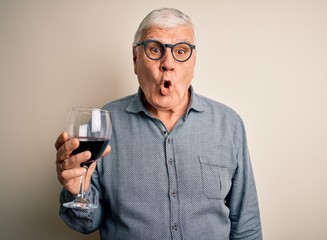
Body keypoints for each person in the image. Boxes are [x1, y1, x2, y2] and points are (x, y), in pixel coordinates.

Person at [55, 8, 262, 239]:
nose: (168, 64)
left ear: (193, 63)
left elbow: (246, 225)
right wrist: (75, 191)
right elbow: (86, 224)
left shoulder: (228, 124)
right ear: (135, 60)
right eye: (155, 49)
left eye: (181, 51)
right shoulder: (102, 124)